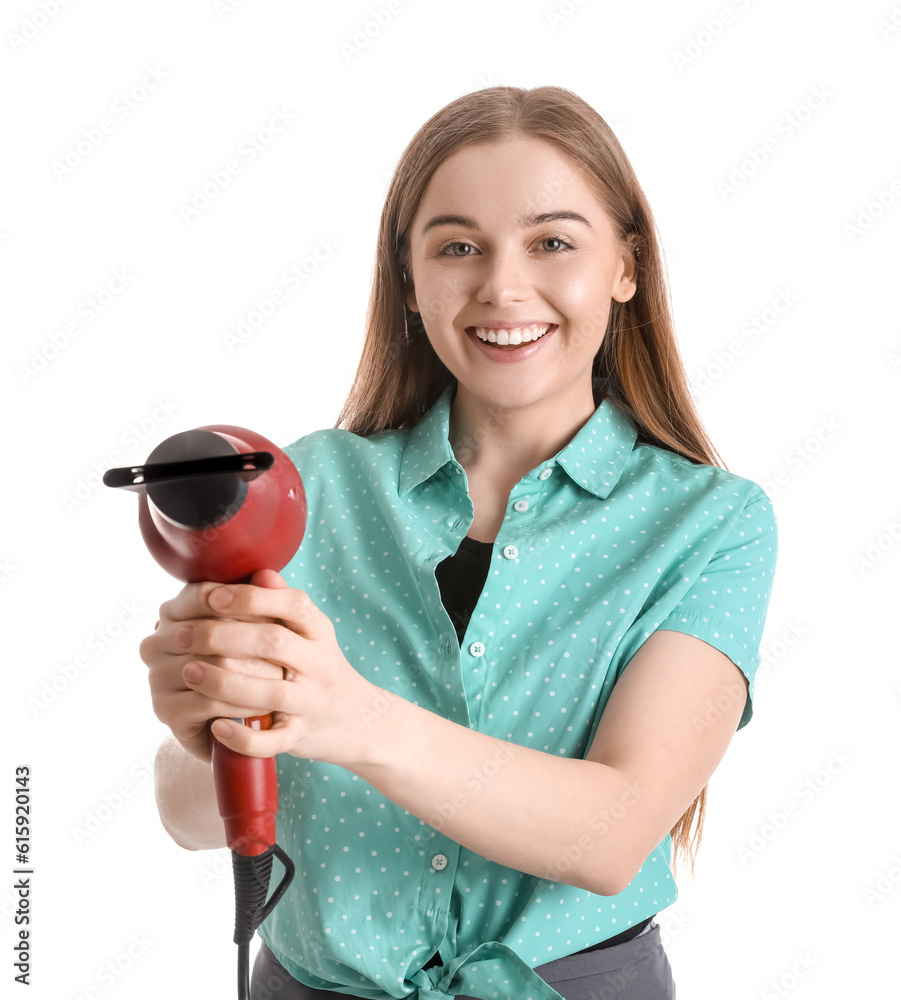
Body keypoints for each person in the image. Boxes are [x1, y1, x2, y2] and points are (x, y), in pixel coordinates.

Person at [142, 85, 778, 1000]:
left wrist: (348, 717)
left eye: (552, 242)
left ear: (625, 266)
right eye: (457, 247)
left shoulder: (711, 523)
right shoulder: (301, 488)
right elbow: (185, 816)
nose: (501, 287)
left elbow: (612, 833)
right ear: (409, 278)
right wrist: (207, 729)